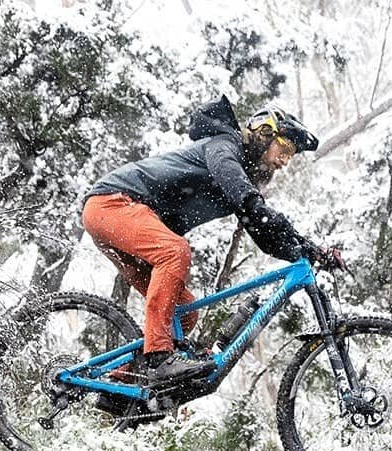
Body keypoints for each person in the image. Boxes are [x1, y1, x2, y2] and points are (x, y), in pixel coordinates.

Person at [81, 96, 345, 388]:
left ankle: (124, 386)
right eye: (284, 149)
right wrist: (259, 207)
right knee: (174, 251)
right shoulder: (223, 145)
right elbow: (238, 187)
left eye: (291, 156)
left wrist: (311, 251)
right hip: (112, 204)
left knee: (185, 313)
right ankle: (157, 359)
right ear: (264, 133)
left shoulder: (241, 177)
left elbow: (265, 234)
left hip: (122, 220)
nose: (284, 161)